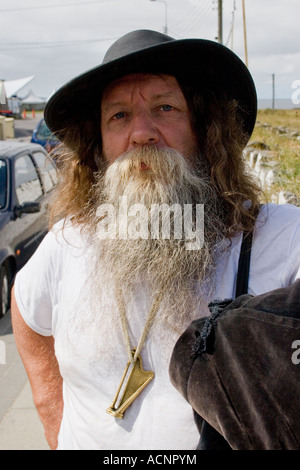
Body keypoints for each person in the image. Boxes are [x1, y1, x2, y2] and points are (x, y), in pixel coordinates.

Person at [11, 29, 300, 450]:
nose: (141, 133)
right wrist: (53, 418)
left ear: (204, 128)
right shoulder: (68, 242)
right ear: (100, 145)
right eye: (119, 116)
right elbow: (26, 312)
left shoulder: (280, 237)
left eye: (164, 107)